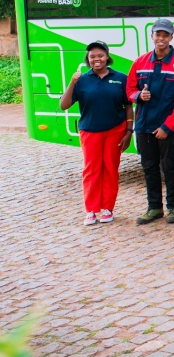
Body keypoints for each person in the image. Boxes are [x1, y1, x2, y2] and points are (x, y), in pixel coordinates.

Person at [126, 18, 174, 225]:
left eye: (165, 35)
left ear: (171, 37)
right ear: (152, 36)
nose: (161, 38)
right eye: (158, 34)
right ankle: (154, 207)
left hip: (169, 128)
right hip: (144, 126)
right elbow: (130, 90)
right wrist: (138, 96)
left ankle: (173, 207)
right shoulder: (140, 62)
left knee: (169, 166)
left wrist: (167, 127)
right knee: (149, 167)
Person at [60, 40, 131, 226]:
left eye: (100, 55)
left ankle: (107, 208)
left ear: (107, 57)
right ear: (88, 59)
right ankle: (91, 210)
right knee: (91, 170)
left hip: (115, 130)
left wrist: (129, 131)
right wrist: (72, 82)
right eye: (92, 56)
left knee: (110, 168)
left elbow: (128, 106)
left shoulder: (120, 78)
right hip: (90, 132)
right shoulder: (82, 80)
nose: (96, 59)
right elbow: (63, 105)